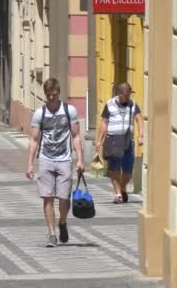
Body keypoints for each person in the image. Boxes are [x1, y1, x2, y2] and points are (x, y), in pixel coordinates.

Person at [25, 78, 84, 247]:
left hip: (65, 159)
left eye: (54, 95)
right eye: (49, 95)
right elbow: (34, 139)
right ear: (45, 95)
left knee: (64, 197)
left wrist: (80, 159)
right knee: (47, 198)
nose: (51, 98)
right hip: (45, 159)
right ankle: (52, 234)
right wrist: (30, 164)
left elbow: (76, 136)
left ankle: (63, 222)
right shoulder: (40, 114)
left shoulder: (69, 111)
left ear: (59, 94)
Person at [95, 82, 143, 204]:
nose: (127, 98)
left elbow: (139, 119)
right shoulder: (110, 104)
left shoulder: (133, 104)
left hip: (128, 141)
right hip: (113, 141)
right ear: (119, 94)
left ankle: (122, 188)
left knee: (128, 172)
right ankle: (118, 194)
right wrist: (99, 141)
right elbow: (104, 123)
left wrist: (140, 135)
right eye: (125, 96)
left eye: (129, 95)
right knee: (115, 169)